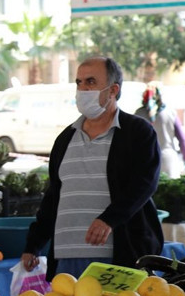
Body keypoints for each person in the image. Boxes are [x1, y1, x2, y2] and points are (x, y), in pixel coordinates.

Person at [20, 56, 163, 280]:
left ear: (113, 90)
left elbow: (145, 184)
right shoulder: (65, 139)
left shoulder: (138, 133)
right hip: (67, 257)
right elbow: (54, 196)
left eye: (91, 82)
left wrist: (109, 219)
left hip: (118, 258)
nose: (83, 89)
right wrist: (34, 244)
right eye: (79, 82)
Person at [134, 83, 185, 179]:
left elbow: (132, 140)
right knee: (169, 191)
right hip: (168, 159)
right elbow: (182, 138)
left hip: (145, 160)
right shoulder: (170, 113)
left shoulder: (138, 114)